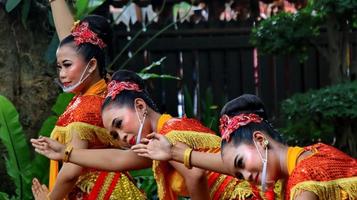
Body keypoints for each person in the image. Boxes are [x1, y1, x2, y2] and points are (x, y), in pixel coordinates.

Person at [31, 71, 279, 200]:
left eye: (119, 124)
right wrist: (66, 152)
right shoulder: (160, 140)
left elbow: (196, 175)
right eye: (114, 134)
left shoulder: (169, 132)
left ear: (140, 107)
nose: (121, 137)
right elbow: (119, 160)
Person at [133, 94, 357, 200]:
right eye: (238, 174)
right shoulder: (312, 153)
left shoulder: (305, 181)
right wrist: (175, 152)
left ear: (260, 141)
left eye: (241, 164)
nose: (245, 177)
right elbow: (227, 166)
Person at [31, 1, 145, 199]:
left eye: (67, 65)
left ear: (91, 65)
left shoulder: (86, 106)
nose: (62, 74)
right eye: (59, 67)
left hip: (98, 192)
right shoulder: (107, 87)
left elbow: (71, 171)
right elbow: (70, 46)